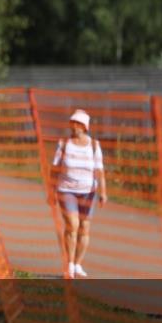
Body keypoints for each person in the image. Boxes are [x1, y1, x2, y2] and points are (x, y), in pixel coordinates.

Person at [51, 109, 107, 279]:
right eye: (72, 123)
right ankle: (69, 264)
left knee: (84, 227)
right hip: (66, 190)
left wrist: (103, 192)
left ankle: (77, 264)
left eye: (78, 124)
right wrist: (51, 190)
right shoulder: (63, 144)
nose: (74, 127)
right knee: (72, 225)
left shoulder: (94, 145)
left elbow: (99, 171)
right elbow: (54, 169)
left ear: (85, 127)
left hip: (88, 192)